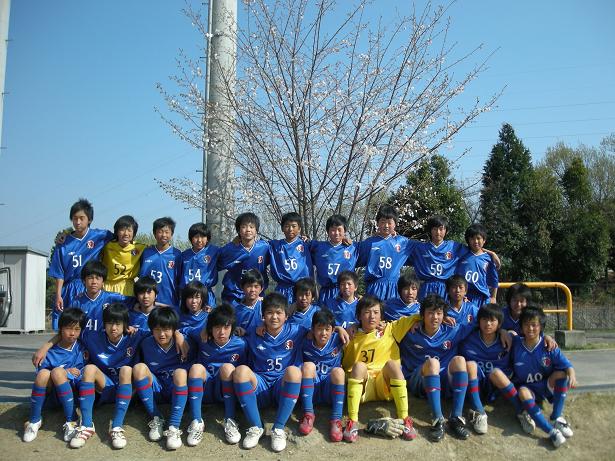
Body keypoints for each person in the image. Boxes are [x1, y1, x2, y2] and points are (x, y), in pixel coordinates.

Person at [399, 294, 502, 442]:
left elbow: (482, 322)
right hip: (419, 380)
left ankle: (456, 417)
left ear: (444, 315)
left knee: (460, 360)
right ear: (422, 315)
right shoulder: (410, 332)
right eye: (430, 313)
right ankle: (437, 420)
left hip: (442, 380)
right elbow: (389, 327)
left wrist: (503, 331)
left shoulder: (452, 330)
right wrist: (413, 320)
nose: (435, 317)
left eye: (439, 313)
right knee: (433, 363)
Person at [231, 293, 313, 452]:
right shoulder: (253, 332)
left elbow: (320, 330)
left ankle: (278, 428)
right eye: (269, 312)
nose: (274, 317)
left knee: (294, 372)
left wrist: (339, 329)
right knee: (240, 372)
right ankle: (256, 426)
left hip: (282, 387)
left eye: (278, 312)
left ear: (286, 315)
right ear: (263, 316)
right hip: (260, 385)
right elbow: (230, 332)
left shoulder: (296, 330)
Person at [69, 303, 150, 449]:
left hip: (128, 388)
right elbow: (70, 332)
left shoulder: (135, 335)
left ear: (125, 325)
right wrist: (46, 346)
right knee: (89, 369)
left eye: (118, 324)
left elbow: (162, 331)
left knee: (126, 370)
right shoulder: (92, 337)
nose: (113, 328)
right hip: (105, 386)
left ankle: (116, 427)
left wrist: (177, 335)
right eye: (109, 323)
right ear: (104, 324)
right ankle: (87, 425)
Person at [342, 294, 418, 443]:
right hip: (362, 387)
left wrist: (441, 317)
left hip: (385, 384)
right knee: (359, 366)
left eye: (376, 312)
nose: (372, 316)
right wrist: (340, 328)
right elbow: (326, 331)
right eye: (367, 312)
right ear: (359, 316)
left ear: (381, 316)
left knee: (392, 364)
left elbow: (420, 315)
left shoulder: (390, 329)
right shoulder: (350, 335)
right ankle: (352, 421)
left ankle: (405, 418)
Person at [459, 303, 538, 435]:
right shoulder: (468, 339)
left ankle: (521, 411)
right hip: (477, 384)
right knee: (470, 365)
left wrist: (547, 338)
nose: (488, 324)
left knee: (495, 372)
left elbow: (531, 342)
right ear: (479, 321)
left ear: (500, 324)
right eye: (484, 319)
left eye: (492, 320)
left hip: (499, 388)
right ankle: (479, 412)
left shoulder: (508, 340)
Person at [511, 306, 577, 448]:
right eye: (526, 324)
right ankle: (551, 431)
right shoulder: (516, 343)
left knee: (562, 373)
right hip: (528, 388)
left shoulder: (549, 346)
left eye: (534, 325)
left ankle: (556, 417)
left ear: (541, 327)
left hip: (546, 385)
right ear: (521, 327)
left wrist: (572, 375)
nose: (530, 328)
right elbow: (506, 332)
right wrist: (505, 332)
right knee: (522, 391)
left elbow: (567, 366)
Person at [182, 303, 248, 446]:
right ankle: (196, 421)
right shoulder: (202, 337)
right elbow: (184, 329)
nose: (221, 332)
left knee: (228, 368)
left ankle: (230, 419)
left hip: (225, 390)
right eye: (217, 327)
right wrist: (177, 335)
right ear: (210, 328)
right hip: (204, 389)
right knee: (196, 368)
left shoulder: (241, 344)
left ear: (233, 328)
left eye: (226, 327)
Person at [23, 308, 87, 443]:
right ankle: (34, 420)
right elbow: (44, 379)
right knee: (44, 373)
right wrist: (65, 372)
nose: (72, 333)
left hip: (74, 396)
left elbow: (81, 374)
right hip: (53, 396)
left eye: (77, 329)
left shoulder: (82, 347)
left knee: (57, 371)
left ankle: (72, 420)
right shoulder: (49, 353)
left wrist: (64, 373)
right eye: (68, 328)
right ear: (60, 328)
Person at [48, 198, 113, 329]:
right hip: (69, 289)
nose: (78, 222)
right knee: (66, 327)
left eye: (81, 218)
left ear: (89, 219)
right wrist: (58, 295)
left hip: (90, 286)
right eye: (75, 218)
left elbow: (121, 238)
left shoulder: (100, 236)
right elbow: (59, 273)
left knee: (92, 324)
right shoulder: (63, 243)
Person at [133, 307, 191, 450]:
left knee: (180, 372)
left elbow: (199, 331)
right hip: (156, 388)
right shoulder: (145, 343)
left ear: (174, 329)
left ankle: (174, 426)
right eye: (157, 329)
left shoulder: (185, 342)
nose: (162, 334)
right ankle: (156, 417)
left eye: (166, 329)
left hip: (176, 389)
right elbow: (133, 331)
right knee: (139, 368)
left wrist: (178, 334)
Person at [409, 215, 499, 301]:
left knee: (444, 311)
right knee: (425, 311)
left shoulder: (454, 246)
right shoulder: (420, 247)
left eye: (441, 229)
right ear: (430, 230)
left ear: (446, 231)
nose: (438, 232)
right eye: (435, 229)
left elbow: (474, 248)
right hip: (426, 286)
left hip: (445, 287)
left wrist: (491, 253)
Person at [298, 309, 346, 441]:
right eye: (319, 329)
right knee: (308, 366)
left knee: (338, 371)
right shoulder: (304, 341)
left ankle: (336, 419)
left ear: (333, 330)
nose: (323, 333)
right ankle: (308, 414)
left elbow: (358, 330)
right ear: (312, 329)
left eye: (327, 329)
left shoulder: (338, 339)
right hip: (311, 388)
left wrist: (341, 328)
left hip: (329, 389)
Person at [356, 205, 414, 301]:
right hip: (375, 287)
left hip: (394, 287)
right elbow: (353, 252)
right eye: (383, 222)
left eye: (389, 223)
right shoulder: (370, 243)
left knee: (392, 310)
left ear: (395, 224)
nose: (386, 226)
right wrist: (345, 241)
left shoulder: (403, 242)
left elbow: (422, 249)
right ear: (377, 223)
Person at [218, 212, 270, 304]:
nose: (248, 230)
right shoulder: (230, 249)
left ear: (256, 230)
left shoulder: (264, 247)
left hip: (256, 295)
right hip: (234, 295)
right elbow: (214, 262)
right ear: (238, 230)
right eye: (244, 227)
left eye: (251, 227)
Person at [310, 214, 358, 305]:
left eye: (339, 230)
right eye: (333, 230)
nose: (336, 233)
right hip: (326, 293)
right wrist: (304, 238)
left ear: (345, 231)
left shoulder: (353, 247)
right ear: (327, 231)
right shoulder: (318, 247)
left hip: (345, 292)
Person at [69, 260, 129, 332]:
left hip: (105, 339)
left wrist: (129, 326)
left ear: (103, 282)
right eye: (90, 278)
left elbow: (134, 303)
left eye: (98, 278)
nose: (94, 282)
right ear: (84, 281)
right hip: (83, 339)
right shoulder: (76, 302)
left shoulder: (112, 298)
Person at [268, 212, 313, 304]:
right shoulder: (274, 245)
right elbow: (256, 245)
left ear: (299, 228)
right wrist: (239, 239)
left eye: (294, 226)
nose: (290, 229)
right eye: (287, 226)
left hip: (302, 289)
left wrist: (343, 240)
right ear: (282, 228)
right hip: (282, 289)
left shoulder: (307, 245)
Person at [138, 217, 182, 309]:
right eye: (160, 232)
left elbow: (180, 280)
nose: (163, 235)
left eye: (167, 232)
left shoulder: (177, 255)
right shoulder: (146, 252)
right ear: (154, 233)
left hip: (169, 303)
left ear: (172, 234)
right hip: (148, 303)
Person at [455, 223, 498, 307]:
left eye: (478, 238)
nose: (475, 241)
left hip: (482, 298)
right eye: (472, 238)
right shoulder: (462, 254)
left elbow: (494, 280)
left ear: (484, 240)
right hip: (465, 297)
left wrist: (493, 297)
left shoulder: (488, 258)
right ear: (468, 240)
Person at [101, 215, 145, 297]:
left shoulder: (141, 248)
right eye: (122, 230)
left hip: (128, 288)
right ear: (117, 231)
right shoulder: (106, 246)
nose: (126, 234)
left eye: (129, 230)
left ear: (134, 233)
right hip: (107, 287)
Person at [179, 222, 219, 308]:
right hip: (189, 296)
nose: (199, 240)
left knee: (208, 316)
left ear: (207, 239)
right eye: (196, 237)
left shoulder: (213, 251)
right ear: (191, 238)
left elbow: (229, 253)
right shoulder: (184, 255)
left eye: (203, 237)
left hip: (206, 296)